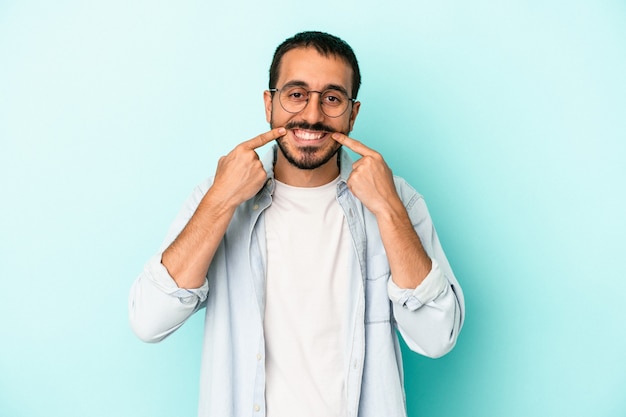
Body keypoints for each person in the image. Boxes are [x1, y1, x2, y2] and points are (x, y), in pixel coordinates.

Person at [129, 31, 464, 417]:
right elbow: (149, 320)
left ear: (352, 114)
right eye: (296, 94)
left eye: (332, 99)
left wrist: (388, 209)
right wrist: (220, 201)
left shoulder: (397, 199)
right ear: (269, 102)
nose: (312, 115)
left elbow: (437, 338)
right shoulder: (220, 195)